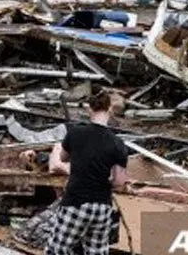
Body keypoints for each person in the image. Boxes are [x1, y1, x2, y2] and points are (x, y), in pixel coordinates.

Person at [46, 90, 129, 255]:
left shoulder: (76, 133)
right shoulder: (118, 144)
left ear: (89, 109)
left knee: (57, 250)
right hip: (102, 207)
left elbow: (62, 158)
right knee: (96, 252)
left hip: (76, 202)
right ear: (110, 110)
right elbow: (119, 182)